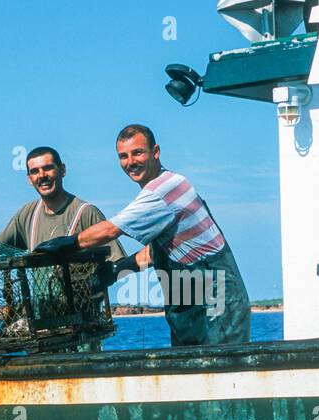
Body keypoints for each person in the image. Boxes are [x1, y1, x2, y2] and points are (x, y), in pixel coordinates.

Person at [35, 124, 251, 346]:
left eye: (137, 152)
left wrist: (67, 243)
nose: (130, 162)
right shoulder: (167, 186)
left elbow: (110, 230)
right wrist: (115, 271)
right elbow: (154, 253)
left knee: (222, 375)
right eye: (123, 156)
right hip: (189, 308)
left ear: (155, 152)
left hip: (217, 306)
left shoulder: (163, 190)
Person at [0, 146, 124, 262]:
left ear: (62, 170)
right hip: (41, 290)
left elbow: (118, 260)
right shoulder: (27, 214)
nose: (42, 175)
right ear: (30, 179)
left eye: (48, 168)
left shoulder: (86, 212)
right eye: (35, 171)